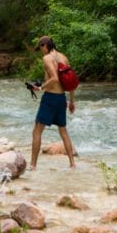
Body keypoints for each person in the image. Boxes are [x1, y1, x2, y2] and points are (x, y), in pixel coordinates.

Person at [30, 35, 76, 169]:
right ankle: (72, 164)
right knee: (63, 131)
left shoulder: (47, 58)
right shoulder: (64, 57)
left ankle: (33, 165)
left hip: (50, 98)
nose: (41, 51)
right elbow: (71, 81)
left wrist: (40, 87)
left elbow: (55, 78)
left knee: (37, 131)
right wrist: (71, 101)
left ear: (44, 45)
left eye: (40, 48)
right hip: (62, 98)